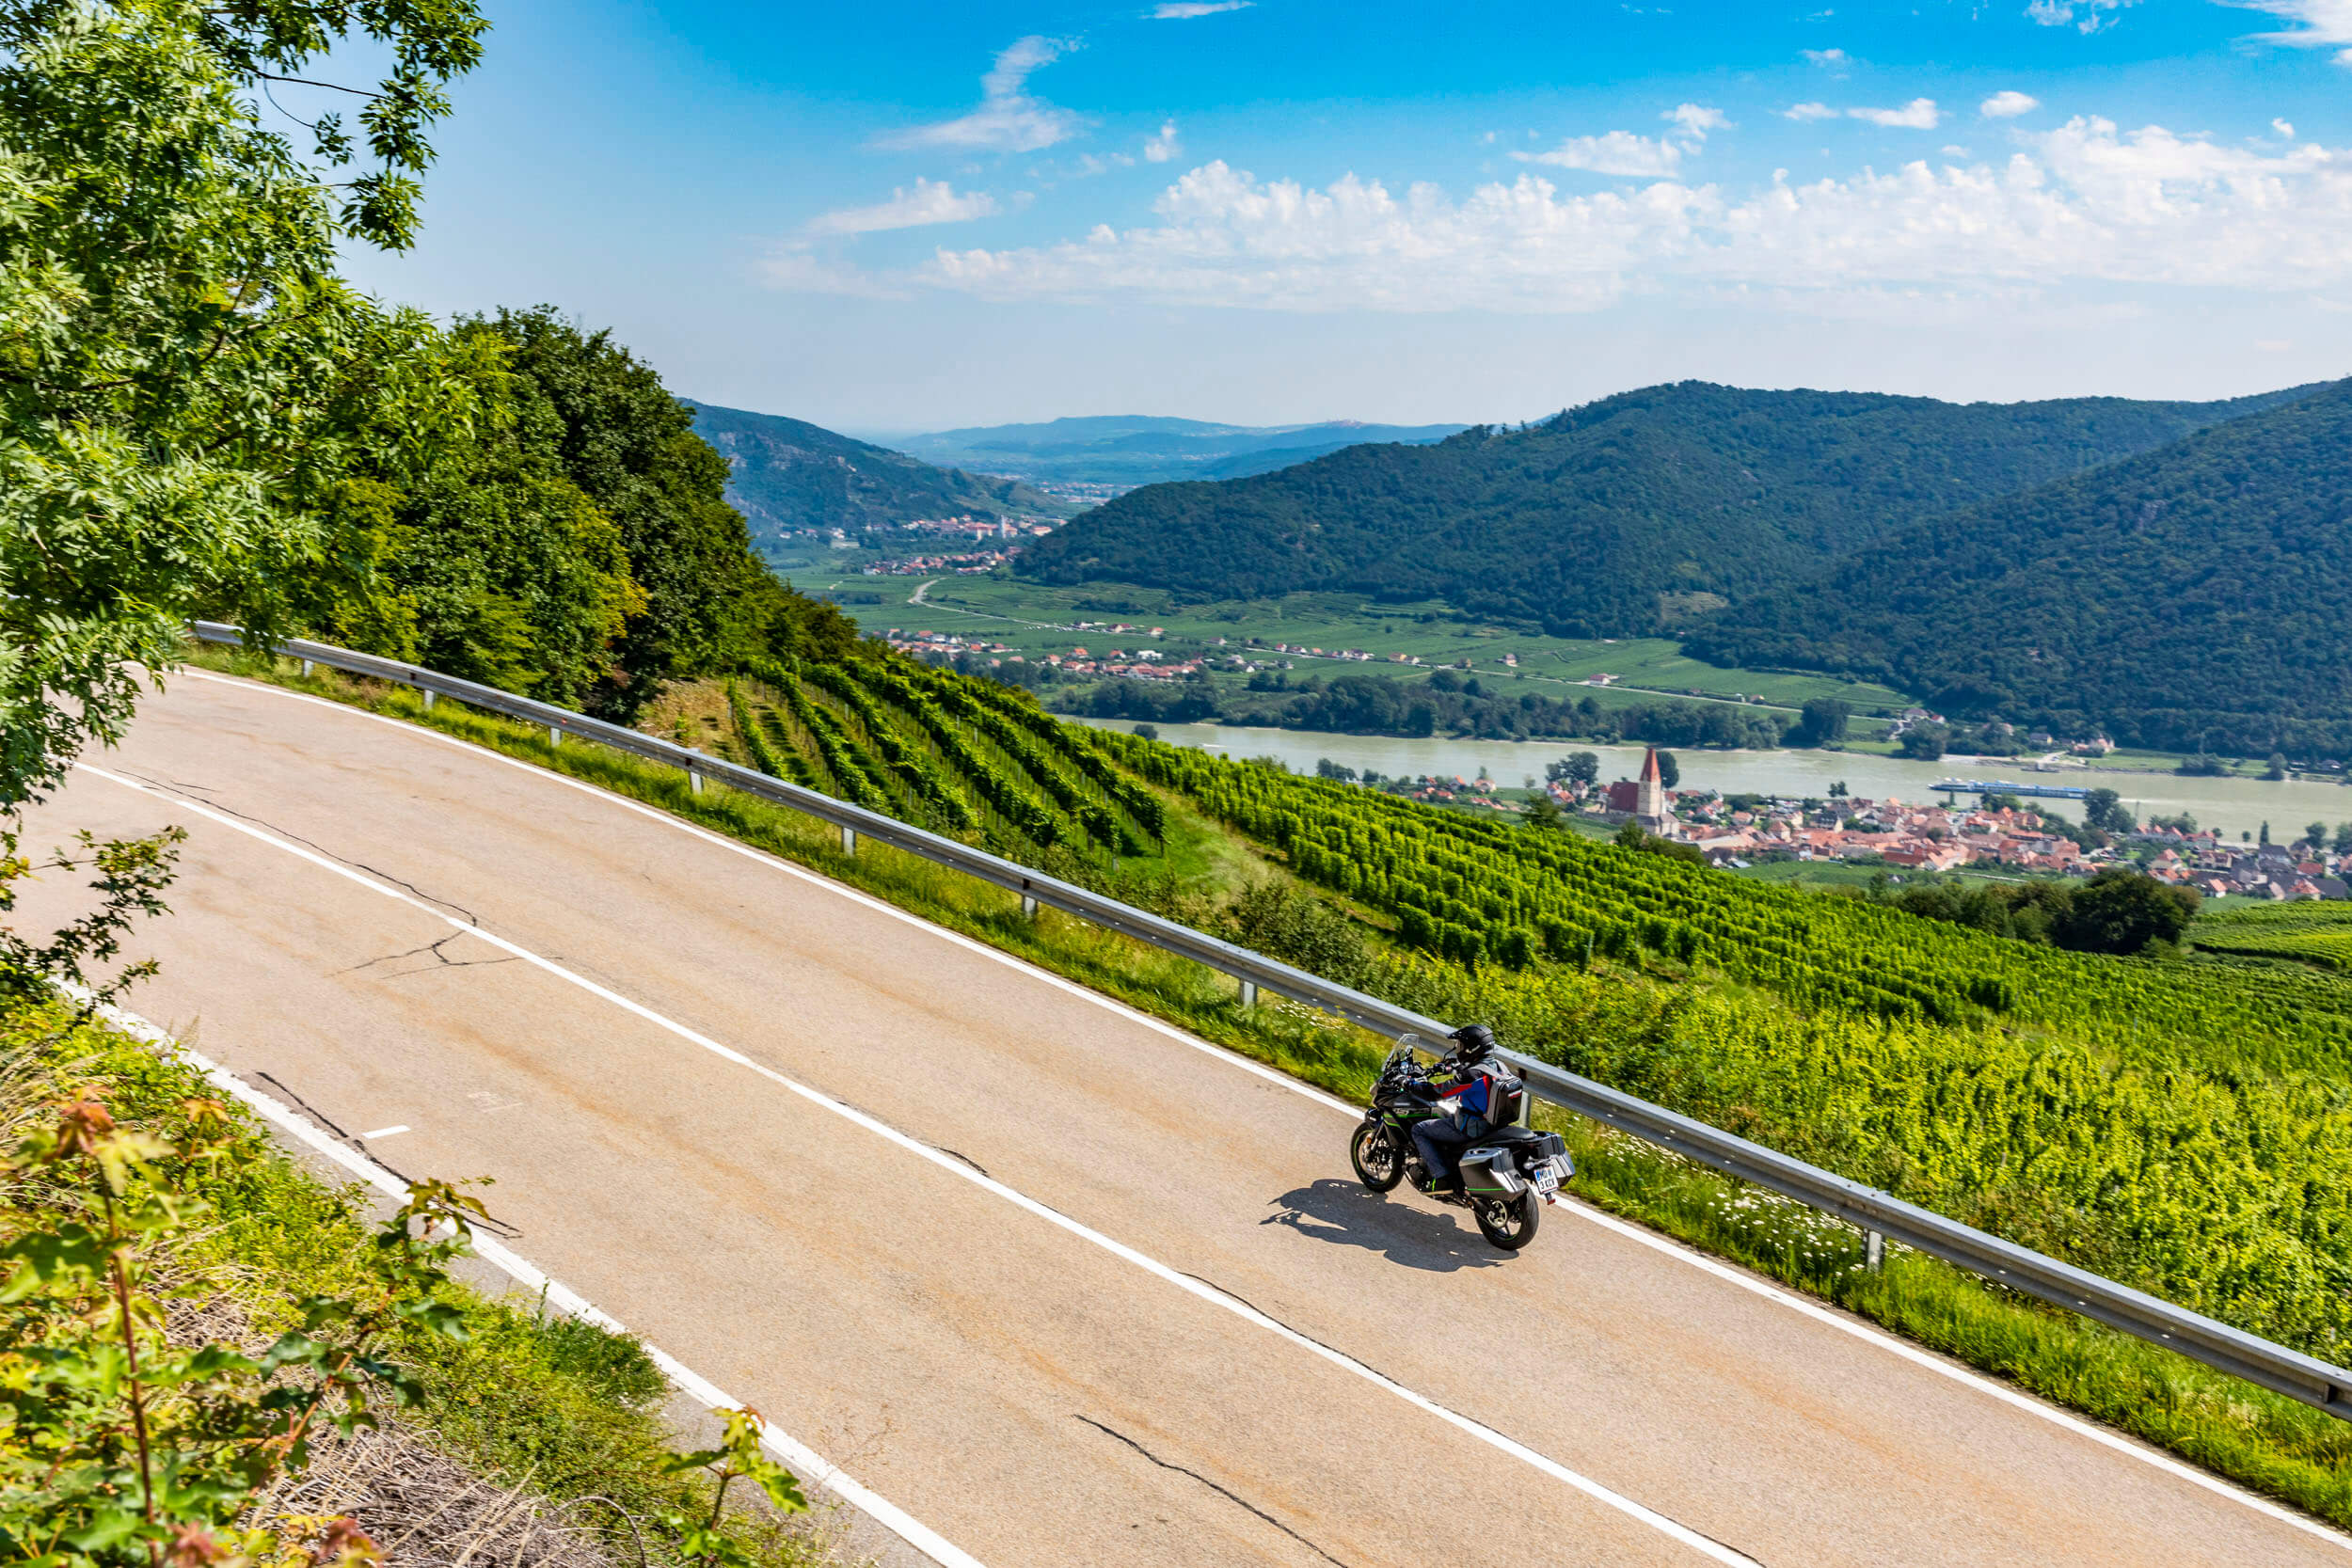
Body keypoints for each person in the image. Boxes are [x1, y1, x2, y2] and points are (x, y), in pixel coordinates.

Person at [1409, 1024, 1515, 1194]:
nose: (1458, 1048)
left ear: (1472, 1048)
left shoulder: (1472, 1075)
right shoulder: (1498, 1066)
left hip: (1472, 1128)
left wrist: (1410, 1084)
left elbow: (1438, 1092)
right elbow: (1470, 1070)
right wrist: (1449, 1067)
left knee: (1419, 1130)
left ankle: (1441, 1177)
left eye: (1461, 1045)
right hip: (1494, 1124)